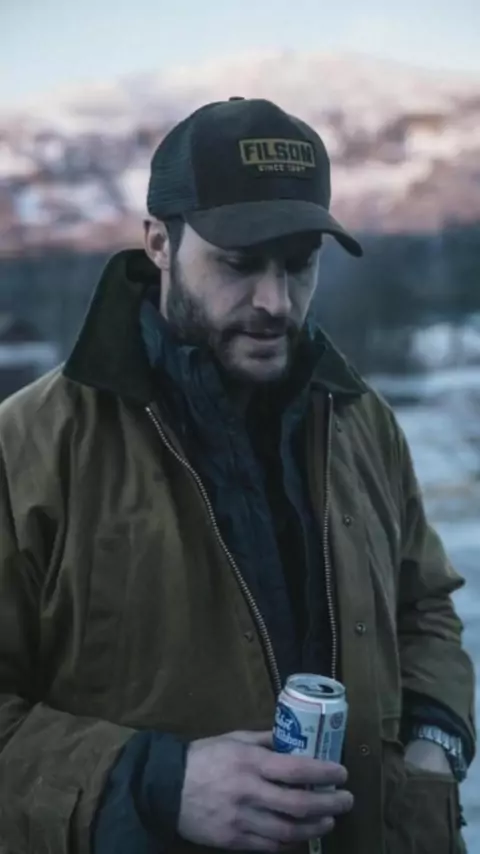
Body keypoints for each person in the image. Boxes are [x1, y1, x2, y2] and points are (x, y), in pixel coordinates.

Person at [0, 96, 475, 854]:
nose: (275, 301)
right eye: (239, 263)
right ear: (159, 243)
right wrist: (154, 784)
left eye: (299, 264)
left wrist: (434, 741)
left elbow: (423, 607)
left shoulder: (360, 420)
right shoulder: (29, 448)